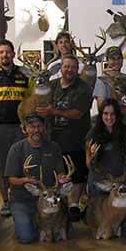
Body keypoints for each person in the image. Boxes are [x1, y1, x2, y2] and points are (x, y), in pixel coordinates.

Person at [36, 54, 92, 222]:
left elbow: (77, 113)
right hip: (54, 141)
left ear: (78, 70)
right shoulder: (51, 86)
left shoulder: (83, 89)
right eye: (66, 66)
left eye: (73, 67)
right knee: (57, 174)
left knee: (77, 174)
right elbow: (40, 105)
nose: (69, 70)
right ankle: (57, 206)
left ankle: (73, 205)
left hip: (76, 139)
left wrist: (53, 111)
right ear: (60, 68)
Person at [0, 39, 31, 217]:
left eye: (8, 52)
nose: (5, 55)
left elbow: (31, 100)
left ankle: (23, 198)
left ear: (13, 54)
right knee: (2, 166)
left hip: (21, 128)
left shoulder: (24, 74)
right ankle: (6, 202)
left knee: (23, 164)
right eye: (1, 52)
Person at [4, 114, 64, 244]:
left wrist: (62, 178)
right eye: (31, 127)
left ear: (44, 128)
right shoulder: (16, 149)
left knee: (61, 232)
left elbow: (60, 173)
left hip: (48, 199)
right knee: (26, 237)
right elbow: (11, 179)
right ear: (24, 129)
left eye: (39, 126)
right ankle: (26, 223)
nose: (36, 130)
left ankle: (39, 224)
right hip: (23, 200)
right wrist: (25, 181)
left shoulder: (54, 147)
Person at [85, 99, 126, 198]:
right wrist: (92, 157)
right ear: (101, 115)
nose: (109, 117)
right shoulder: (93, 135)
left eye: (112, 114)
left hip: (120, 183)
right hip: (99, 183)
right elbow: (89, 164)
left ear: (117, 115)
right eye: (105, 113)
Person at [92, 46, 126, 130]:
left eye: (119, 58)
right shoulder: (102, 80)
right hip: (111, 123)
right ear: (107, 61)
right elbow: (101, 107)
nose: (116, 61)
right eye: (112, 58)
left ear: (122, 61)